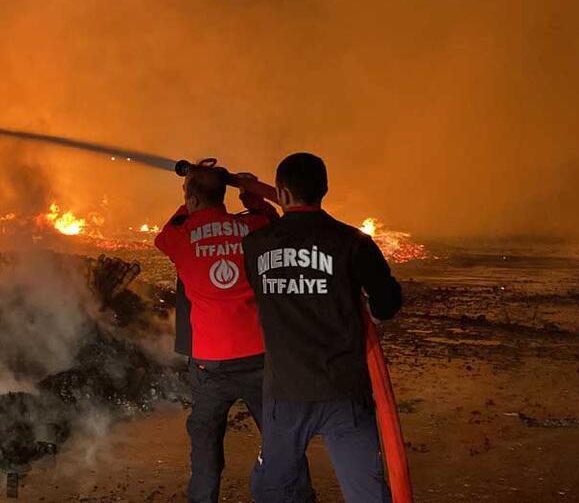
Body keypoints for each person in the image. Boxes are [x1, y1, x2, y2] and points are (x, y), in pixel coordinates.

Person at [242, 153, 403, 503]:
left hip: (285, 393)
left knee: (273, 491)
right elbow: (388, 303)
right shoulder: (353, 242)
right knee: (368, 494)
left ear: (282, 194)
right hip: (343, 391)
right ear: (325, 189)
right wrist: (369, 312)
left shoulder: (255, 246)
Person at [155, 165, 312, 503]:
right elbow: (280, 221)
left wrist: (192, 194)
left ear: (193, 198)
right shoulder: (253, 226)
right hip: (260, 360)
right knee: (281, 438)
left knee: (206, 449)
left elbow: (163, 235)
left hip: (209, 366)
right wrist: (250, 194)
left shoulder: (181, 235)